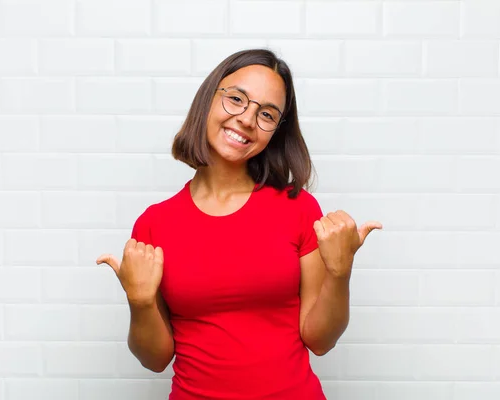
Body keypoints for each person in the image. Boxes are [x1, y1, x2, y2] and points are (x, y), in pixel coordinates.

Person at [96, 49, 382, 400]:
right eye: (236, 99)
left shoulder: (299, 209)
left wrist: (340, 273)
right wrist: (139, 303)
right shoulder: (155, 224)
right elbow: (154, 360)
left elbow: (320, 341)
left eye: (266, 114)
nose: (247, 119)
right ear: (209, 98)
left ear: (275, 132)